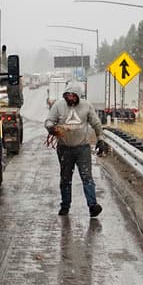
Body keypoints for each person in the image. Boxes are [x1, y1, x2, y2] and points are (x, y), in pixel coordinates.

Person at [44, 82, 107, 217]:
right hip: (64, 149)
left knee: (87, 177)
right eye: (68, 96)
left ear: (78, 96)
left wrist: (100, 139)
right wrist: (52, 128)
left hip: (82, 148)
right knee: (65, 179)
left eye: (73, 96)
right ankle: (65, 206)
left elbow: (96, 123)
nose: (70, 98)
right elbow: (49, 121)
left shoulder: (86, 106)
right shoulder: (58, 106)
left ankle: (92, 205)